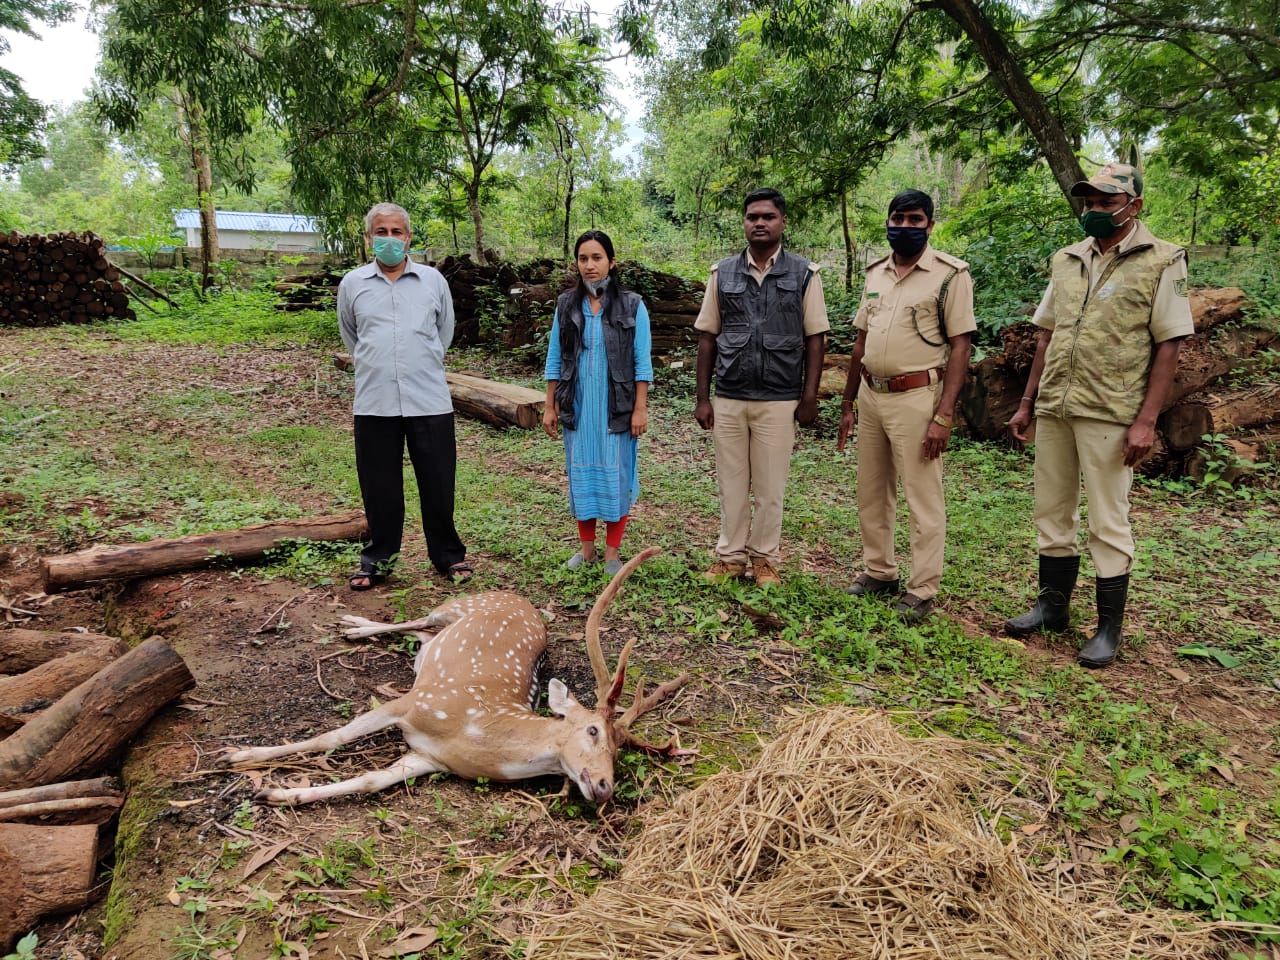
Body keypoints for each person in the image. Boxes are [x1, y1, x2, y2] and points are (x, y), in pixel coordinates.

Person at [1006, 162, 1192, 668]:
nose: (1094, 211)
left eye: (1106, 203)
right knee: (1052, 509)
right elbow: (1047, 334)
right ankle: (1053, 606)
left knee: (1109, 519)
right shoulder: (1066, 259)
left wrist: (1146, 420)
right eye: (1088, 202)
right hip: (1057, 404)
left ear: (1134, 206)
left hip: (1111, 410)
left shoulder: (1161, 259)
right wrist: (1027, 402)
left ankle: (1109, 626)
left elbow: (1169, 345)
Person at [836, 189, 975, 624]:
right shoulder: (876, 273)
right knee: (872, 491)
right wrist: (847, 401)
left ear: (930, 225)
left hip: (918, 398)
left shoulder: (951, 275)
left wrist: (944, 414)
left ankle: (922, 587)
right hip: (871, 395)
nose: (906, 227)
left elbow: (961, 347)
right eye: (898, 218)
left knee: (921, 496)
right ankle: (879, 570)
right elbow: (861, 340)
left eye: (916, 220)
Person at [694, 187, 828, 587]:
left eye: (768, 217)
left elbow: (816, 338)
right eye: (752, 217)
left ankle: (765, 559)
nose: (759, 223)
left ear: (782, 222)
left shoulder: (804, 274)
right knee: (731, 483)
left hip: (779, 399)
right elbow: (707, 337)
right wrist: (703, 398)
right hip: (730, 397)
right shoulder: (723, 274)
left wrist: (809, 397)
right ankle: (730, 556)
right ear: (744, 223)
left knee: (770, 487)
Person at [337, 202, 470, 590]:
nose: (390, 239)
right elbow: (353, 337)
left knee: (439, 483)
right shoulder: (353, 285)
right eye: (382, 232)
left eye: (397, 232)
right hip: (375, 402)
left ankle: (448, 555)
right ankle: (378, 560)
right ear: (368, 239)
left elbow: (444, 333)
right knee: (380, 488)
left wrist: (418, 361)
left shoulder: (433, 282)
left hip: (428, 399)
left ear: (409, 237)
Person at [542, 230, 653, 575]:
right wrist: (550, 405)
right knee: (582, 476)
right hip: (578, 404)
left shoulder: (632, 305)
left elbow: (642, 362)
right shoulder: (566, 304)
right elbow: (555, 358)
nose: (590, 265)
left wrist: (639, 407)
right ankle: (586, 551)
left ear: (612, 262)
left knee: (616, 477)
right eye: (583, 258)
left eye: (597, 258)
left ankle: (612, 554)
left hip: (615, 407)